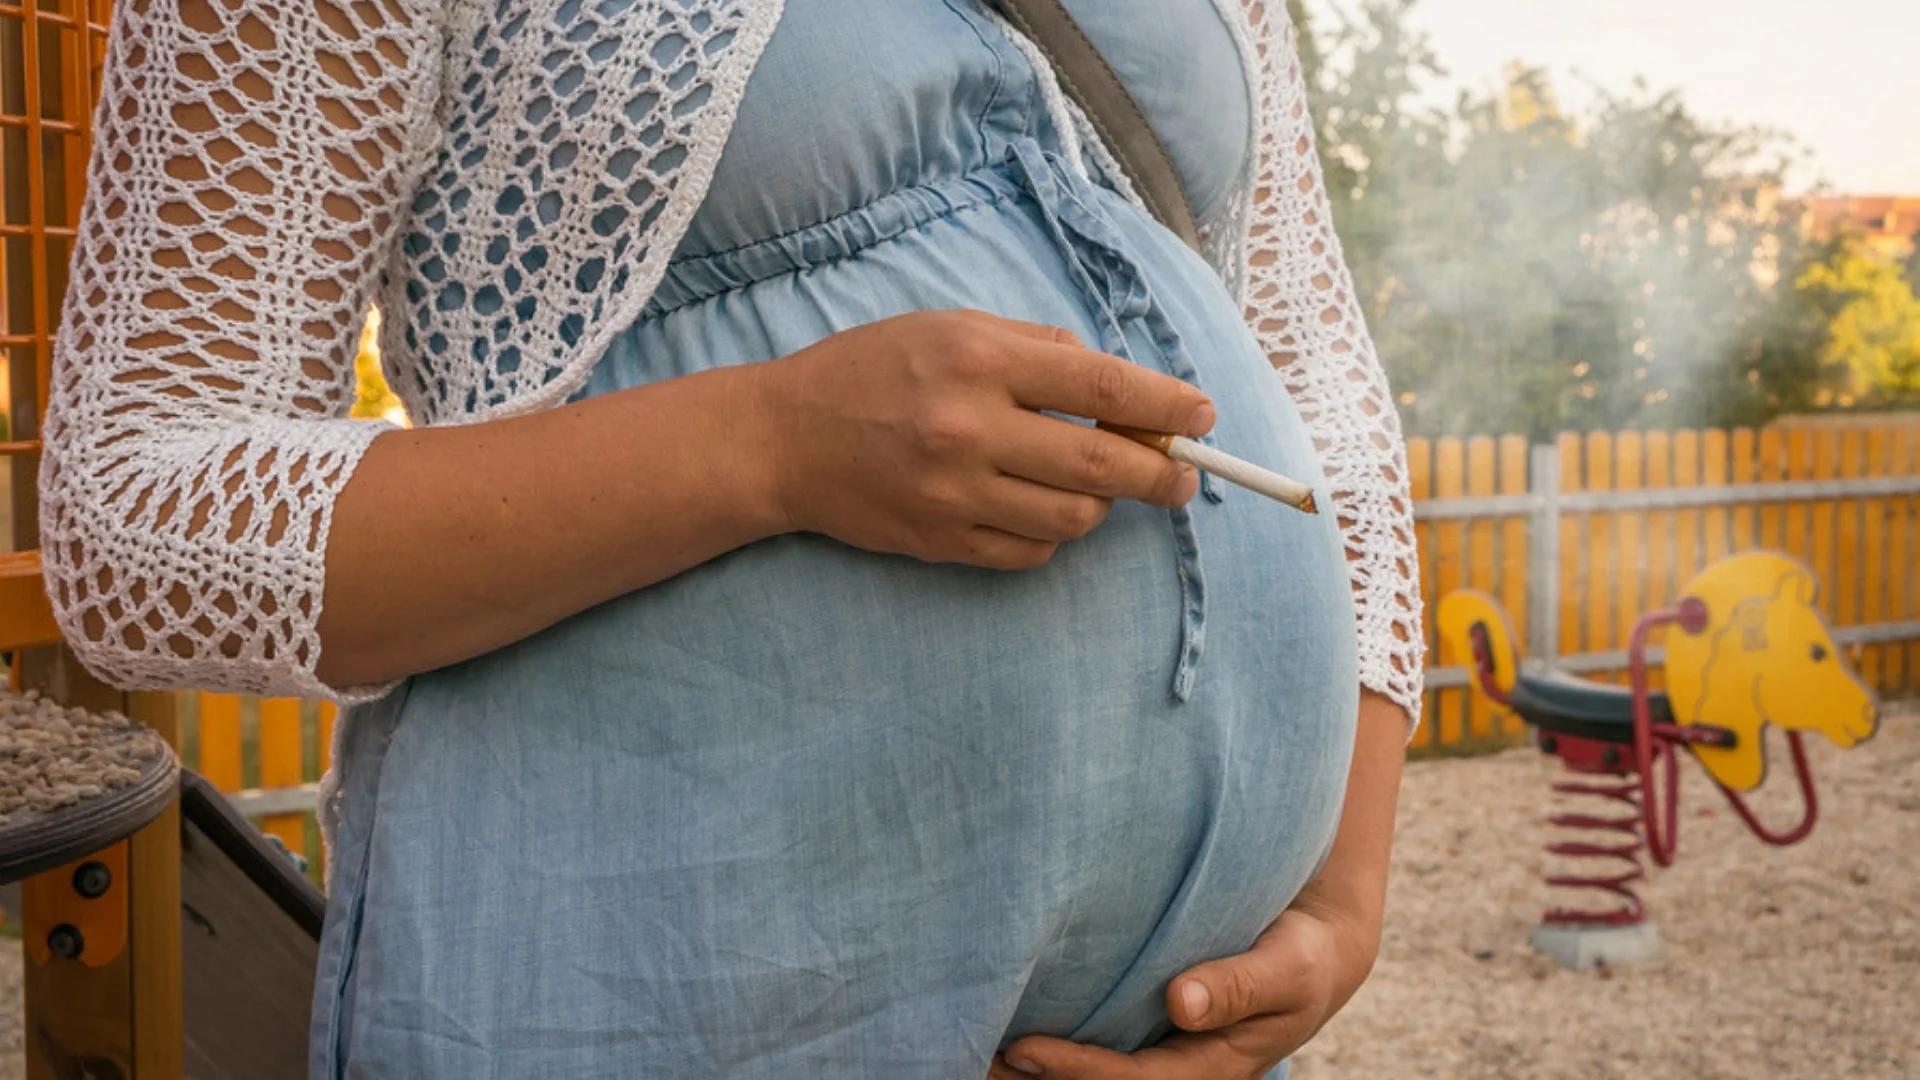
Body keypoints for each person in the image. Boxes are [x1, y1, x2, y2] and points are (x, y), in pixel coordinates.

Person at [38, 0, 1424, 1075]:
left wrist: (1343, 899)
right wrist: (777, 443)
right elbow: (136, 520)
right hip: (660, 996)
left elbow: (1321, 382)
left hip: (1186, 1028)